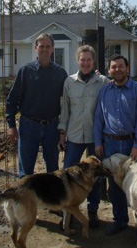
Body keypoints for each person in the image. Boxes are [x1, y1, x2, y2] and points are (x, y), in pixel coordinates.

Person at [93, 54, 137, 236]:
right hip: (109, 145)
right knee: (115, 185)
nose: (117, 70)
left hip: (132, 144)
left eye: (120, 66)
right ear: (109, 70)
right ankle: (120, 220)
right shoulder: (104, 92)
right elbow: (98, 119)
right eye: (114, 67)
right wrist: (98, 142)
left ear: (127, 68)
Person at [58, 45, 109, 228]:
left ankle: (93, 211)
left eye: (89, 60)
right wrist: (62, 132)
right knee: (68, 175)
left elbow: (120, 87)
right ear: (77, 61)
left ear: (93, 61)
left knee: (93, 176)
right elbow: (65, 110)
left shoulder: (103, 81)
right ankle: (67, 214)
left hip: (95, 137)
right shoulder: (69, 82)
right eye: (82, 59)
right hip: (74, 135)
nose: (85, 63)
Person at [6, 33, 68, 178]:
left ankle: (50, 199)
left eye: (48, 46)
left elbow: (68, 101)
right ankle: (25, 200)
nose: (44, 49)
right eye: (41, 46)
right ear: (36, 48)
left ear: (53, 49)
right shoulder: (26, 71)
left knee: (53, 172)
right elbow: (12, 100)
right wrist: (11, 125)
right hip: (29, 126)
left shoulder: (60, 73)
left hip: (52, 126)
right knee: (26, 172)